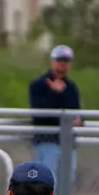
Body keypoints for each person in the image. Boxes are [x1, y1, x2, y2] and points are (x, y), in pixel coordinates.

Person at [28, 44, 81, 180]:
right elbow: (38, 113)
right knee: (48, 183)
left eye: (66, 61)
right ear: (52, 62)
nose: (62, 65)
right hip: (48, 142)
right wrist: (55, 93)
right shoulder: (38, 85)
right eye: (59, 60)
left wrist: (79, 120)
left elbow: (76, 110)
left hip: (68, 142)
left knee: (67, 183)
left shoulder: (71, 87)